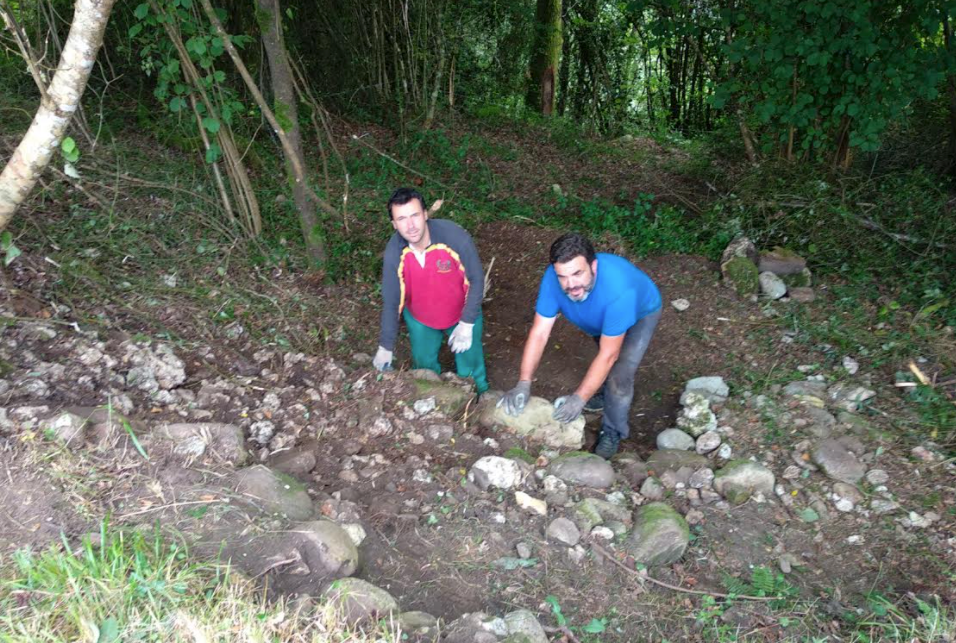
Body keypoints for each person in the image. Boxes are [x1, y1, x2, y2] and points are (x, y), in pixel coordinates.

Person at [498, 232, 661, 459]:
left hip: (641, 313)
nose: (571, 284)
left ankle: (613, 430)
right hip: (598, 317)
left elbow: (608, 355)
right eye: (563, 276)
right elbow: (539, 333)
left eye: (577, 273)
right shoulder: (552, 279)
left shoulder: (619, 292)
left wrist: (579, 398)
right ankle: (602, 393)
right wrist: (524, 382)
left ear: (593, 266)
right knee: (606, 358)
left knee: (620, 374)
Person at [372, 187, 489, 394]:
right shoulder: (395, 252)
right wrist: (385, 346)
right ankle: (430, 400)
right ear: (394, 224)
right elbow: (392, 301)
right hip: (420, 318)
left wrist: (467, 322)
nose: (410, 225)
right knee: (424, 367)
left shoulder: (453, 237)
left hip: (461, 313)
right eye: (402, 219)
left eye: (415, 215)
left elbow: (476, 279)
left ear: (425, 214)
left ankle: (480, 398)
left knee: (471, 365)